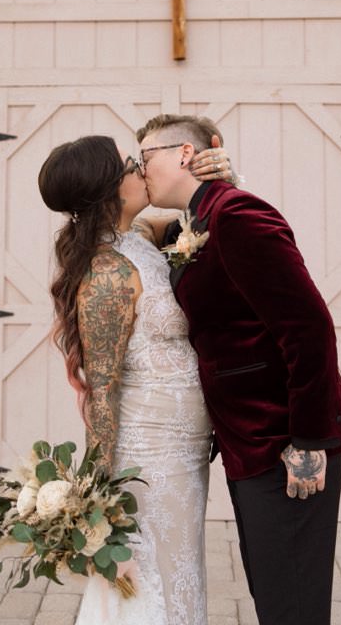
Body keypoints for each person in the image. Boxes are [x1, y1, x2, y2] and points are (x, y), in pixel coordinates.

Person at [136, 114, 341, 625]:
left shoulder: (237, 215)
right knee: (275, 594)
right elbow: (138, 229)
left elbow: (308, 328)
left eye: (145, 157)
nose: (140, 169)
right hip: (248, 443)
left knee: (291, 604)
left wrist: (309, 441)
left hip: (283, 442)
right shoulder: (197, 220)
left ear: (185, 154)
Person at [37, 134, 232, 625]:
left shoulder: (140, 236)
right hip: (150, 453)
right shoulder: (106, 274)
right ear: (107, 189)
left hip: (185, 448)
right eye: (129, 165)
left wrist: (217, 176)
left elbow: (201, 217)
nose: (139, 170)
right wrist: (98, 511)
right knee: (152, 580)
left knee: (181, 571)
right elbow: (102, 391)